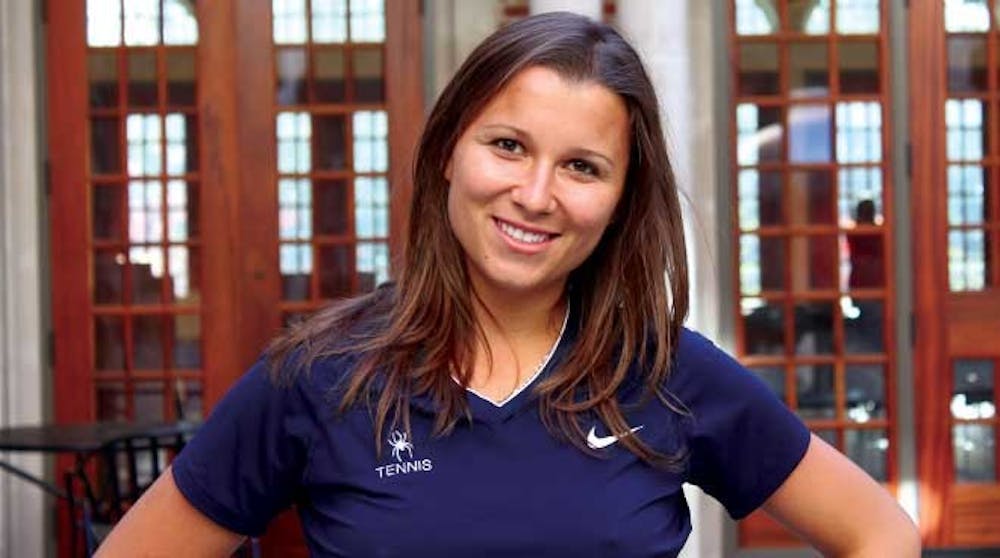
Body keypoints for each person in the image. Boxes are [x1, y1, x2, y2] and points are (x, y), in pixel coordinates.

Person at [98, 12, 920, 557]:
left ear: (622, 199)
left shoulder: (667, 374)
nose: (535, 194)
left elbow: (879, 533)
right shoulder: (320, 376)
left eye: (582, 166)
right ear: (448, 152)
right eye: (508, 146)